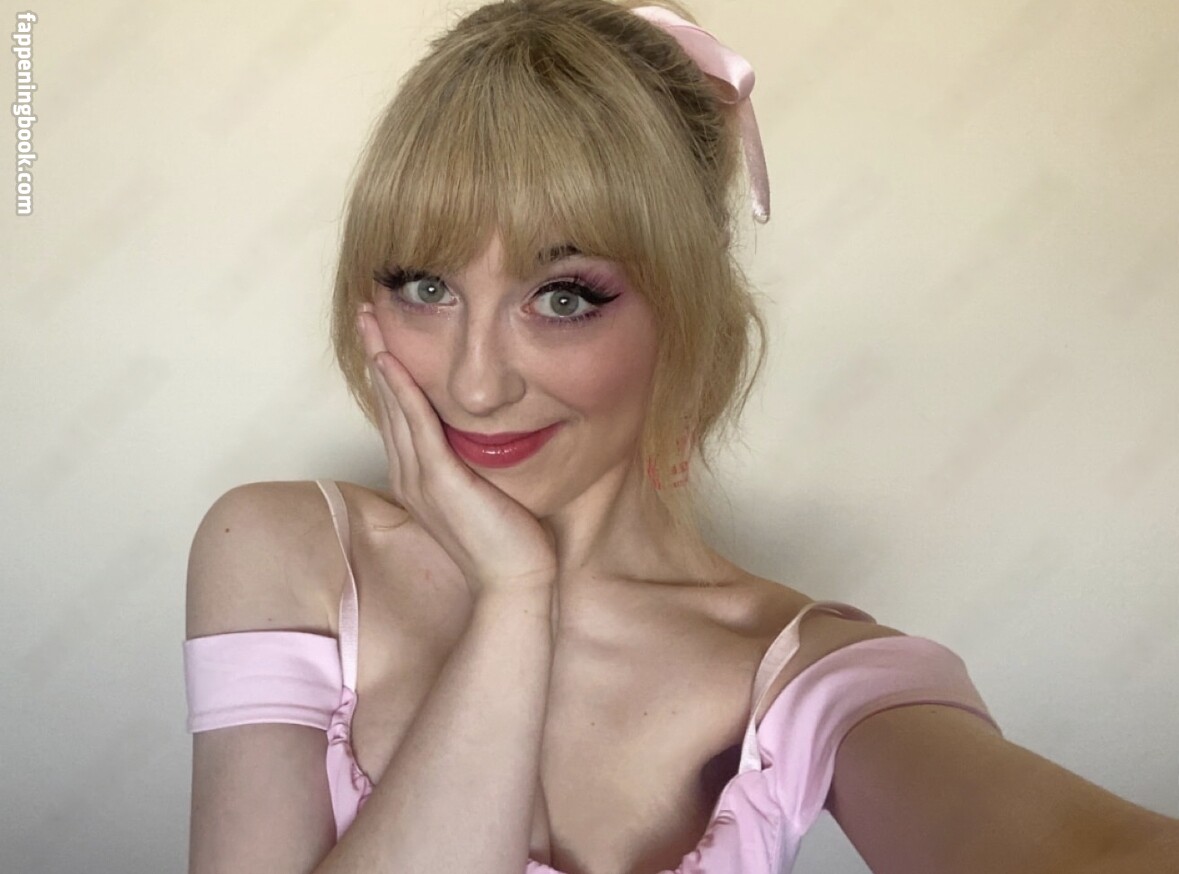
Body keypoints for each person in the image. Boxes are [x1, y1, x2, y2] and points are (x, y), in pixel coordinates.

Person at [183, 1, 1179, 872]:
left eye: (563, 296)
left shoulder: (809, 674)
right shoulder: (286, 553)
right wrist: (513, 599)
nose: (475, 383)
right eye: (425, 286)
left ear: (686, 308)